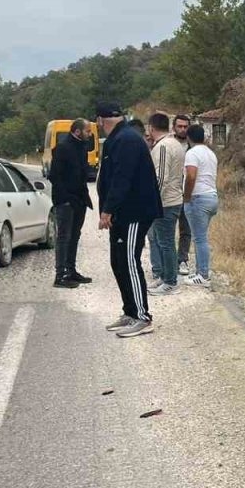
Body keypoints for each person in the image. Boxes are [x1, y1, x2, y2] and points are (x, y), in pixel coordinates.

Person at [95, 101, 162, 338]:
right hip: (122, 214)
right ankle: (130, 311)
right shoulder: (119, 138)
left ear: (101, 121)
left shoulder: (126, 140)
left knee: (129, 261)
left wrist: (107, 210)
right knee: (118, 261)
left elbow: (122, 179)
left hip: (134, 213)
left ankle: (142, 317)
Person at [46, 118, 93, 288]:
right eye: (87, 131)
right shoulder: (63, 148)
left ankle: (71, 270)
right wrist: (66, 198)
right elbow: (55, 176)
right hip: (65, 201)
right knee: (64, 237)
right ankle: (60, 276)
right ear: (78, 131)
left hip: (79, 200)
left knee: (75, 236)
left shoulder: (82, 147)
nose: (90, 134)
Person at [145, 113, 185, 295]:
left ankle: (170, 281)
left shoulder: (162, 147)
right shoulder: (175, 144)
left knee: (166, 242)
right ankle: (165, 277)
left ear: (151, 128)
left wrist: (152, 201)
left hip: (165, 202)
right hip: (173, 199)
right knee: (163, 241)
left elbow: (161, 177)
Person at [182, 124, 218, 286]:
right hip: (211, 196)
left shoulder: (192, 153)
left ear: (189, 138)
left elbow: (191, 176)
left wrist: (187, 196)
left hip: (198, 198)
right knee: (201, 236)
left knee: (199, 238)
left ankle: (203, 274)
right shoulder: (211, 154)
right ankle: (200, 271)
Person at [172, 114, 193, 276]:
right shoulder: (168, 144)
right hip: (171, 193)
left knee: (186, 229)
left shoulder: (194, 147)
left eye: (185, 127)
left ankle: (182, 259)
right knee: (167, 230)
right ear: (174, 127)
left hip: (188, 193)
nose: (182, 129)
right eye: (180, 126)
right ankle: (168, 261)